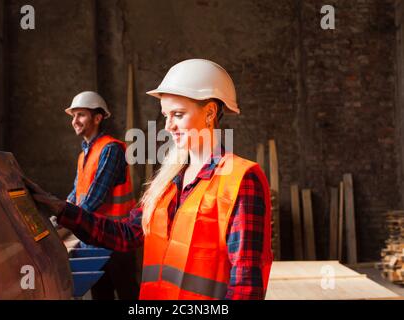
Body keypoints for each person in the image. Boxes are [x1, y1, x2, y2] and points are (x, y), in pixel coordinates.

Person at [26, 59, 273, 300]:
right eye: (166, 115)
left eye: (178, 114)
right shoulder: (168, 181)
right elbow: (125, 234)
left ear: (209, 113)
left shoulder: (240, 180)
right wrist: (61, 209)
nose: (169, 126)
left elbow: (246, 288)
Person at [64, 91, 139, 300]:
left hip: (116, 239)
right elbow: (77, 193)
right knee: (100, 295)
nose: (75, 121)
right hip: (95, 238)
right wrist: (58, 211)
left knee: (127, 293)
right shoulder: (84, 154)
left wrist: (66, 218)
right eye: (73, 116)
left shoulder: (111, 149)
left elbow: (95, 198)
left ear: (97, 118)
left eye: (80, 115)